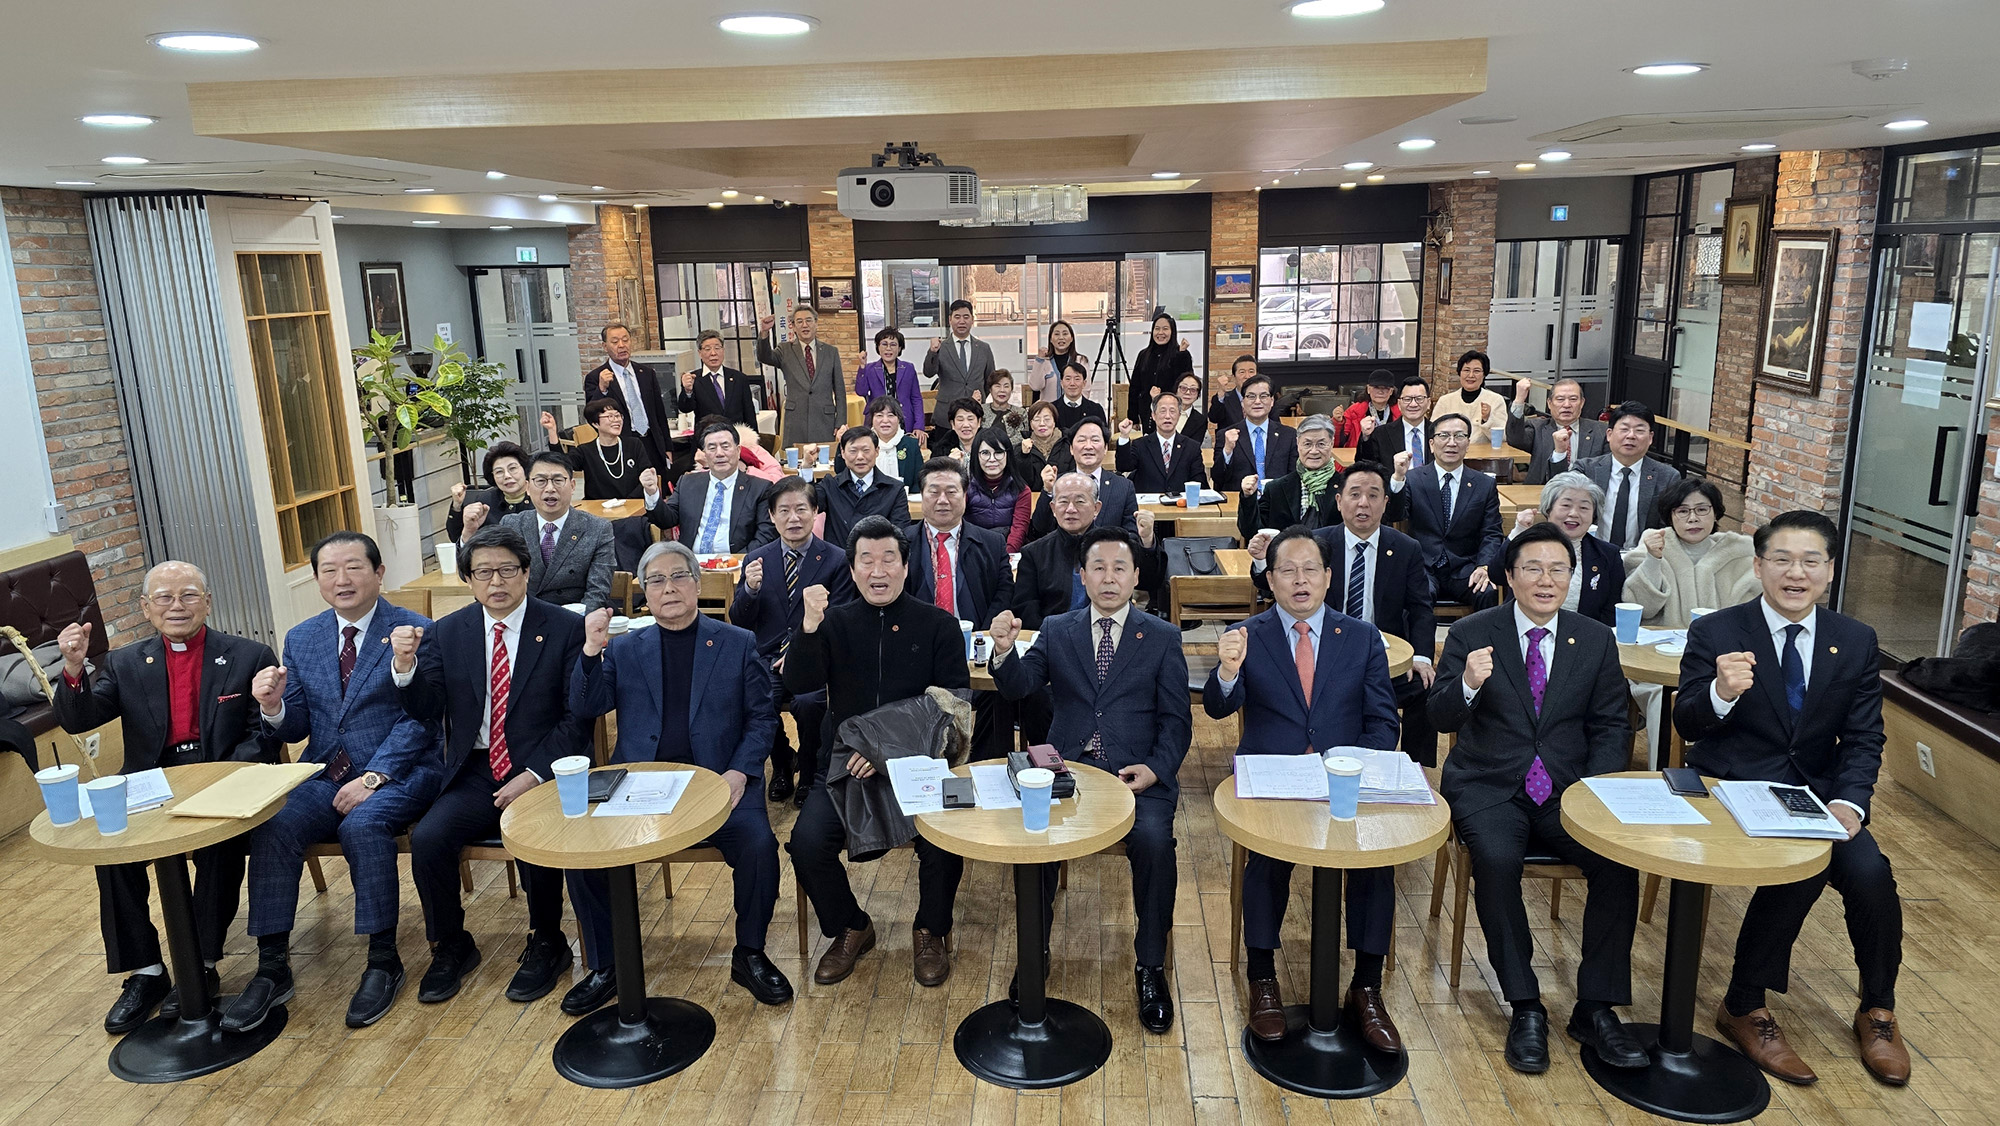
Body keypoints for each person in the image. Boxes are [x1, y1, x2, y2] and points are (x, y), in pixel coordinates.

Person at [1675, 510, 1908, 1087]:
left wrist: (1851, 803)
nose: (1795, 573)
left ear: (1829, 570)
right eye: (1781, 559)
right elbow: (1688, 723)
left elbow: (1864, 737)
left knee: (1872, 874)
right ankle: (1743, 1005)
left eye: (1810, 561)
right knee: (1801, 868)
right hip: (1731, 789)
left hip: (1816, 797)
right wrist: (1720, 692)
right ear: (1758, 566)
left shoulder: (1855, 639)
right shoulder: (1717, 631)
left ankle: (1878, 1008)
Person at [1427, 521, 1643, 1075]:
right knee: (1497, 861)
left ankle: (1596, 1008)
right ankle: (1525, 1003)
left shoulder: (1594, 638)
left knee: (1618, 862)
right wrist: (1468, 684)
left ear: (1572, 577)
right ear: (1510, 575)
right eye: (1533, 569)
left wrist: (1594, 791)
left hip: (1569, 790)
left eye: (1558, 570)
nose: (1546, 581)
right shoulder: (1473, 632)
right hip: (1489, 785)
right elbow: (1439, 716)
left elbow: (1612, 724)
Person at [224, 532, 442, 1033]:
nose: (342, 580)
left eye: (354, 567)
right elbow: (299, 725)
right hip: (325, 771)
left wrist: (374, 777)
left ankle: (383, 958)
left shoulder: (416, 630)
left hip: (403, 769)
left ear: (379, 573)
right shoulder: (302, 637)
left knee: (363, 825)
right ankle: (272, 965)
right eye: (329, 570)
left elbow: (422, 720)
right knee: (273, 822)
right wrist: (273, 706)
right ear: (317, 579)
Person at [53, 562, 280, 1033]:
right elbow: (80, 720)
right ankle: (146, 971)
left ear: (208, 602)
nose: (177, 606)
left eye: (189, 595)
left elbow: (262, 737)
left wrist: (220, 777)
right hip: (150, 782)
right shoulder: (125, 662)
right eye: (164, 597)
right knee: (110, 845)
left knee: (218, 844)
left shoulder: (248, 655)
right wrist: (74, 668)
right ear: (145, 607)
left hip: (221, 778)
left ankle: (201, 963)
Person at [570, 541, 793, 1010]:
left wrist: (740, 772)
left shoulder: (737, 642)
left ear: (697, 583)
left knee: (758, 846)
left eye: (678, 577)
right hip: (640, 785)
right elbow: (588, 707)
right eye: (656, 580)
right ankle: (608, 964)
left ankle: (750, 953)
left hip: (717, 783)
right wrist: (591, 650)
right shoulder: (625, 648)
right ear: (644, 592)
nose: (668, 588)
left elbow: (762, 718)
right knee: (583, 854)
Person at [1204, 528, 1404, 1050]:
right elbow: (1218, 708)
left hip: (1344, 779)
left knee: (1375, 864)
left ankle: (1366, 987)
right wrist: (1227, 672)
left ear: (1328, 577)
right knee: (1265, 864)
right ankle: (1263, 979)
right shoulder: (1248, 634)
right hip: (1275, 780)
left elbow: (1383, 722)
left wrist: (1351, 767)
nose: (1300, 580)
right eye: (1287, 571)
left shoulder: (1361, 637)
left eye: (1310, 569)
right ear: (1270, 580)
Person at [987, 526, 1190, 1034]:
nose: (1109, 578)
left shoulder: (1162, 636)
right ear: (1082, 575)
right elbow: (1019, 685)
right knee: (1036, 840)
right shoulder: (1058, 629)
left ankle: (1150, 966)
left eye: (1120, 568)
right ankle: (1034, 953)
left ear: (1136, 576)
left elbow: (1177, 721)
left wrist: (1156, 768)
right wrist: (1005, 652)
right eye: (1098, 567)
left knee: (1154, 844)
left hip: (1136, 775)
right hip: (1069, 772)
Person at [396, 527, 587, 1007]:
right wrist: (406, 669)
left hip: (540, 768)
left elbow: (576, 719)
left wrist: (534, 774)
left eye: (507, 570)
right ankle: (451, 944)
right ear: (468, 579)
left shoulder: (564, 627)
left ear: (527, 572)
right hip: (477, 769)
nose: (496, 582)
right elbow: (426, 708)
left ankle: (547, 940)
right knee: (429, 838)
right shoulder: (448, 631)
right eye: (483, 572)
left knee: (530, 833)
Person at [783, 516, 972, 987]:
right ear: (852, 570)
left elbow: (952, 707)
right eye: (866, 560)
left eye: (889, 558)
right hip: (846, 765)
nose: (878, 569)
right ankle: (851, 925)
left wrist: (884, 748)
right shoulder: (833, 623)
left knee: (944, 842)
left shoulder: (940, 625)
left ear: (906, 566)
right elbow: (799, 684)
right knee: (806, 843)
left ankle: (930, 930)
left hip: (920, 764)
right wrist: (808, 626)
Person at [1247, 460, 1439, 763]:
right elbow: (1274, 582)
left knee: (1425, 685)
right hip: (1326, 654)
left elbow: (1421, 608)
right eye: (1355, 494)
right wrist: (1261, 560)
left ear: (1386, 502)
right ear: (1339, 501)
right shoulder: (1318, 543)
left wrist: (1422, 657)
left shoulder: (1406, 547)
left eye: (1373, 495)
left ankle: (1415, 770)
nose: (1363, 503)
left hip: (1383, 654)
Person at [732, 477, 857, 806]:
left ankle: (811, 772)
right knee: (757, 700)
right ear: (772, 516)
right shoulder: (756, 558)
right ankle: (783, 762)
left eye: (801, 509)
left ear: (815, 512)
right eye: (784, 511)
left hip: (815, 656)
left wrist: (802, 649)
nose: (793, 518)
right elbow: (740, 620)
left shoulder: (835, 559)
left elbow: (840, 618)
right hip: (767, 657)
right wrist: (750, 591)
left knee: (808, 703)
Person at [466, 449, 616, 611]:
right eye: (541, 481)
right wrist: (468, 533)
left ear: (572, 486)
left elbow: (597, 591)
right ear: (528, 487)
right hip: (525, 615)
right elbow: (475, 574)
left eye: (558, 480)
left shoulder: (597, 528)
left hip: (576, 616)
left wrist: (577, 621)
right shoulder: (512, 524)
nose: (550, 488)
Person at [1014, 473, 1165, 627]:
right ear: (1053, 508)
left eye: (1079, 501)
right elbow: (1026, 609)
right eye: (1063, 501)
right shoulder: (1034, 553)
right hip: (1054, 634)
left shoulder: (1116, 545)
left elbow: (1150, 581)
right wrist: (1050, 634)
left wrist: (1147, 540)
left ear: (1096, 508)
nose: (1070, 509)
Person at [1389, 413, 1503, 606]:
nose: (1452, 443)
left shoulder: (1484, 484)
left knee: (1487, 591)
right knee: (1417, 593)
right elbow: (1395, 515)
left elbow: (1491, 532)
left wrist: (1484, 566)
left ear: (1468, 444)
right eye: (1444, 436)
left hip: (1465, 568)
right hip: (1423, 566)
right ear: (1432, 444)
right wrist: (1398, 478)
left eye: (1459, 436)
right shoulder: (1413, 479)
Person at [1623, 478, 1759, 627]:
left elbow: (1751, 617)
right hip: (1662, 641)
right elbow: (1640, 609)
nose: (1693, 519)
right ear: (1670, 517)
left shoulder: (1741, 556)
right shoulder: (1650, 549)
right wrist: (1653, 560)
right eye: (1683, 511)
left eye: (1702, 510)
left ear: (1715, 514)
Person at [1504, 471, 1625, 627]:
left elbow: (1611, 611)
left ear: (1594, 515)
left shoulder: (1608, 554)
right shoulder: (1527, 544)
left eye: (1584, 508)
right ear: (1548, 509)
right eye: (1566, 505)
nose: (1574, 514)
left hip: (1584, 636)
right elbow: (1497, 574)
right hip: (1522, 630)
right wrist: (1517, 533)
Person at [544, 398, 651, 572]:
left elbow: (646, 476)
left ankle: (626, 577)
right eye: (610, 416)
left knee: (626, 533)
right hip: (597, 515)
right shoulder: (586, 450)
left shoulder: (634, 445)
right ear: (595, 423)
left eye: (618, 415)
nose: (616, 420)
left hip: (632, 514)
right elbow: (562, 466)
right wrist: (552, 432)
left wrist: (627, 504)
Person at [640, 419, 778, 553]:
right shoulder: (687, 483)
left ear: (738, 451)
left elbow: (765, 535)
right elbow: (666, 520)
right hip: (692, 562)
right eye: (712, 448)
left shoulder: (760, 488)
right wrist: (652, 493)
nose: (719, 453)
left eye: (725, 446)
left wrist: (739, 560)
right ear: (704, 454)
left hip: (737, 562)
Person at [1577, 401, 1682, 551]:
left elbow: (1669, 526)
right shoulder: (1586, 469)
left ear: (1650, 438)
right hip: (1592, 553)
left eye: (1639, 430)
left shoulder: (1668, 477)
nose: (1631, 436)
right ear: (1609, 434)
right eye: (1624, 429)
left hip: (1641, 556)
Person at [1026, 417, 1138, 539]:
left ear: (1105, 448)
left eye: (1095, 440)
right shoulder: (1059, 483)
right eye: (1081, 440)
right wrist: (1048, 490)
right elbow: (1040, 527)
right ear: (1071, 449)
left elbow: (1132, 535)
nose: (1088, 446)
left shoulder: (1124, 486)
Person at [1237, 413, 1342, 536]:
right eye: (1307, 444)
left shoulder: (1345, 487)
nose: (1314, 451)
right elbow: (1251, 531)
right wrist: (1248, 497)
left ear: (1332, 443)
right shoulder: (1277, 489)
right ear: (1298, 443)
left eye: (1321, 444)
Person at [586, 323, 672, 472]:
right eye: (615, 342)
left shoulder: (646, 373)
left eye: (625, 340)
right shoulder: (595, 377)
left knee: (657, 483)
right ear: (605, 346)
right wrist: (602, 389)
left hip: (651, 441)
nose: (621, 345)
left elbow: (659, 413)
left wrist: (667, 447)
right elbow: (591, 416)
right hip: (623, 444)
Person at [757, 306, 846, 446]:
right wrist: (764, 332)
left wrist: (841, 422)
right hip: (796, 421)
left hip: (824, 420)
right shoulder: (785, 350)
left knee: (825, 458)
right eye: (799, 321)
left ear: (816, 323)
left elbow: (840, 390)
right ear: (793, 326)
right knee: (795, 458)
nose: (805, 325)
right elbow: (764, 357)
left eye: (809, 320)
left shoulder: (831, 352)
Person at [816, 424, 908, 551]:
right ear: (843, 453)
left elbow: (900, 534)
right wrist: (806, 467)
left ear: (877, 451)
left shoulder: (894, 489)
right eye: (853, 451)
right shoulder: (830, 485)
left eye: (866, 450)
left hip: (878, 559)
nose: (860, 457)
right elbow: (808, 503)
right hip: (839, 561)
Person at [1507, 377, 1608, 485]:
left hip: (1586, 491)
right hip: (1542, 491)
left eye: (1573, 399)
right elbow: (1515, 439)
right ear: (1549, 403)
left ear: (1582, 403)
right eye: (1560, 399)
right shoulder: (1537, 428)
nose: (1567, 405)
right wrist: (1519, 400)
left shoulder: (1601, 431)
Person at [1212, 372, 1296, 491]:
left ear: (1272, 401)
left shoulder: (1288, 435)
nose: (1257, 401)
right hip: (1239, 500)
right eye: (1251, 396)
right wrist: (1227, 451)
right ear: (1242, 402)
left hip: (1277, 500)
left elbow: (1294, 477)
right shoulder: (1226, 435)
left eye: (1263, 396)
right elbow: (1217, 478)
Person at [924, 299, 996, 433]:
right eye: (957, 317)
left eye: (966, 317)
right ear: (950, 320)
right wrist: (932, 352)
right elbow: (928, 372)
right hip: (946, 416)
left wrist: (980, 397)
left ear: (972, 320)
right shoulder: (941, 347)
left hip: (975, 414)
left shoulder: (984, 348)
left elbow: (990, 380)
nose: (961, 321)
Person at [1115, 391, 1207, 494]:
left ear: (1179, 415)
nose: (1167, 416)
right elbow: (1123, 466)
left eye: (1172, 411)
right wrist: (1124, 436)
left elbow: (1200, 482)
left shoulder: (1191, 447)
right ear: (1154, 415)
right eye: (1163, 411)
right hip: (1149, 502)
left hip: (1180, 503)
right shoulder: (1140, 445)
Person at [446, 441, 534, 543]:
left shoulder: (540, 496)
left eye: (512, 468)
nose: (507, 476)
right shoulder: (486, 500)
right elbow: (457, 539)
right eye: (499, 472)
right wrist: (457, 506)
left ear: (525, 469)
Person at [676, 328, 759, 429]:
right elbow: (685, 408)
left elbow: (749, 415)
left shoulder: (739, 378)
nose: (713, 353)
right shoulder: (694, 379)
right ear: (699, 353)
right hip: (707, 436)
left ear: (723, 350)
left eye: (717, 348)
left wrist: (753, 437)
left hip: (736, 435)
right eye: (707, 349)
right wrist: (688, 391)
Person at [966, 428, 1033, 552]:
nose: (992, 459)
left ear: (1008, 455)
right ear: (976, 456)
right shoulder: (965, 488)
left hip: (1008, 552)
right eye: (985, 453)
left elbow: (1019, 529)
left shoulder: (1021, 490)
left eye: (998, 452)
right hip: (973, 550)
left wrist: (1005, 555)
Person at [1128, 311, 1193, 430]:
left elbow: (1186, 383)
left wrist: (1181, 355)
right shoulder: (1144, 355)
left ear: (1172, 332)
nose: (1160, 333)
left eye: (1165, 329)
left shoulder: (1180, 354)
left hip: (1172, 413)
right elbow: (1134, 387)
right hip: (1147, 412)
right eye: (1157, 329)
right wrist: (1133, 417)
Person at [854, 326, 925, 433]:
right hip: (877, 420)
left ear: (899, 348)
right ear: (878, 347)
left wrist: (919, 426)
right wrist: (862, 367)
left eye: (893, 344)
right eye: (884, 344)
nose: (888, 348)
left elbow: (916, 398)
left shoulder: (908, 368)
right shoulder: (869, 369)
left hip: (904, 420)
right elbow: (861, 391)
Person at [1370, 375, 1437, 472]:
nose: (1413, 404)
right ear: (1399, 404)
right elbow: (1369, 468)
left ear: (1428, 403)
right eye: (1407, 399)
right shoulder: (1381, 434)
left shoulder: (1438, 433)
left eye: (1419, 399)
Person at [1429, 349, 1508, 430]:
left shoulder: (1496, 400)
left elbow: (1503, 434)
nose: (1471, 375)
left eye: (1476, 371)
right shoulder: (1445, 401)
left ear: (1484, 374)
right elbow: (1433, 430)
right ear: (1459, 373)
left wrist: (1487, 419)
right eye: (1466, 370)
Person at [864, 396, 927, 493]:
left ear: (899, 419)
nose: (885, 420)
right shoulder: (865, 445)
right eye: (879, 415)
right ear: (872, 419)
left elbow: (918, 481)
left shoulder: (911, 445)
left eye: (890, 415)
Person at [1336, 369, 1399, 448]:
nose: (1380, 392)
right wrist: (1338, 422)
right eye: (1376, 387)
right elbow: (1338, 443)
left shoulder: (1401, 411)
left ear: (1391, 391)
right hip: (1360, 453)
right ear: (1368, 389)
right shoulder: (1354, 411)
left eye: (1385, 388)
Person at [1016, 400, 1064, 488]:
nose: (1042, 424)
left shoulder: (1067, 445)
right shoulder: (1021, 448)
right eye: (1037, 420)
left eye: (1047, 419)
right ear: (1031, 425)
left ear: (1054, 422)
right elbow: (1022, 483)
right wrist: (1024, 456)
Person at [1050, 360, 1106, 434]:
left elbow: (1103, 436)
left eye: (1077, 379)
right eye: (1068, 379)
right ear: (1062, 383)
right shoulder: (1052, 409)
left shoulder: (1096, 410)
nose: (1072, 383)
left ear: (1084, 383)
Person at [1036, 320, 1083, 405]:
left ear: (1071, 338)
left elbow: (1085, 390)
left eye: (1065, 334)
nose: (1061, 337)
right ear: (1050, 339)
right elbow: (1035, 386)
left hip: (1075, 409)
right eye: (1057, 334)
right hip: (1049, 410)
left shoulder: (1081, 360)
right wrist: (1039, 360)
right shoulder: (1044, 361)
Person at [1207, 355, 1252, 435]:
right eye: (1242, 372)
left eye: (1251, 371)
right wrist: (1221, 392)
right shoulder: (1225, 399)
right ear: (1234, 377)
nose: (1247, 376)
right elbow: (1214, 418)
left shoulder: (1265, 399)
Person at [982, 368, 1029, 445]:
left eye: (1006, 386)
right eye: (998, 386)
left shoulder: (1021, 412)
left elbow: (1021, 438)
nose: (1002, 390)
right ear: (990, 389)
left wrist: (999, 445)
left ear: (1011, 389)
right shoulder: (981, 410)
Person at [1173, 372, 1210, 449]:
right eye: (1183, 388)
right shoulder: (1164, 413)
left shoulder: (1200, 420)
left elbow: (1194, 447)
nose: (1188, 392)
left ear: (1198, 395)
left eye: (1193, 390)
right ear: (1176, 390)